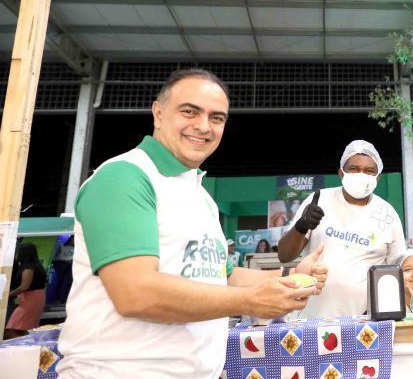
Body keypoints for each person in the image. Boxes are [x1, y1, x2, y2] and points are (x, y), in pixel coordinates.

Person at [58, 68, 328, 379]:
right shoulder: (124, 177)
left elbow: (222, 276)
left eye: (217, 117)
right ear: (158, 113)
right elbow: (135, 292)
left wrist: (292, 276)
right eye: (189, 111)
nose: (203, 126)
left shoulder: (201, 197)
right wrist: (250, 301)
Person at [278, 139, 406, 318]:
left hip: (365, 321)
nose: (361, 174)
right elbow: (284, 256)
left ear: (378, 177)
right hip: (311, 318)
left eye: (369, 171)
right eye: (353, 168)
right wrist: (301, 226)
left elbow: (398, 272)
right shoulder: (319, 200)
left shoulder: (388, 214)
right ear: (341, 173)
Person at [5, 242, 47, 338]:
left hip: (31, 300)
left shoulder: (28, 268)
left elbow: (24, 287)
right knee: (23, 328)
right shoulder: (35, 266)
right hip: (35, 298)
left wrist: (8, 294)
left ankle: (22, 345)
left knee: (12, 328)